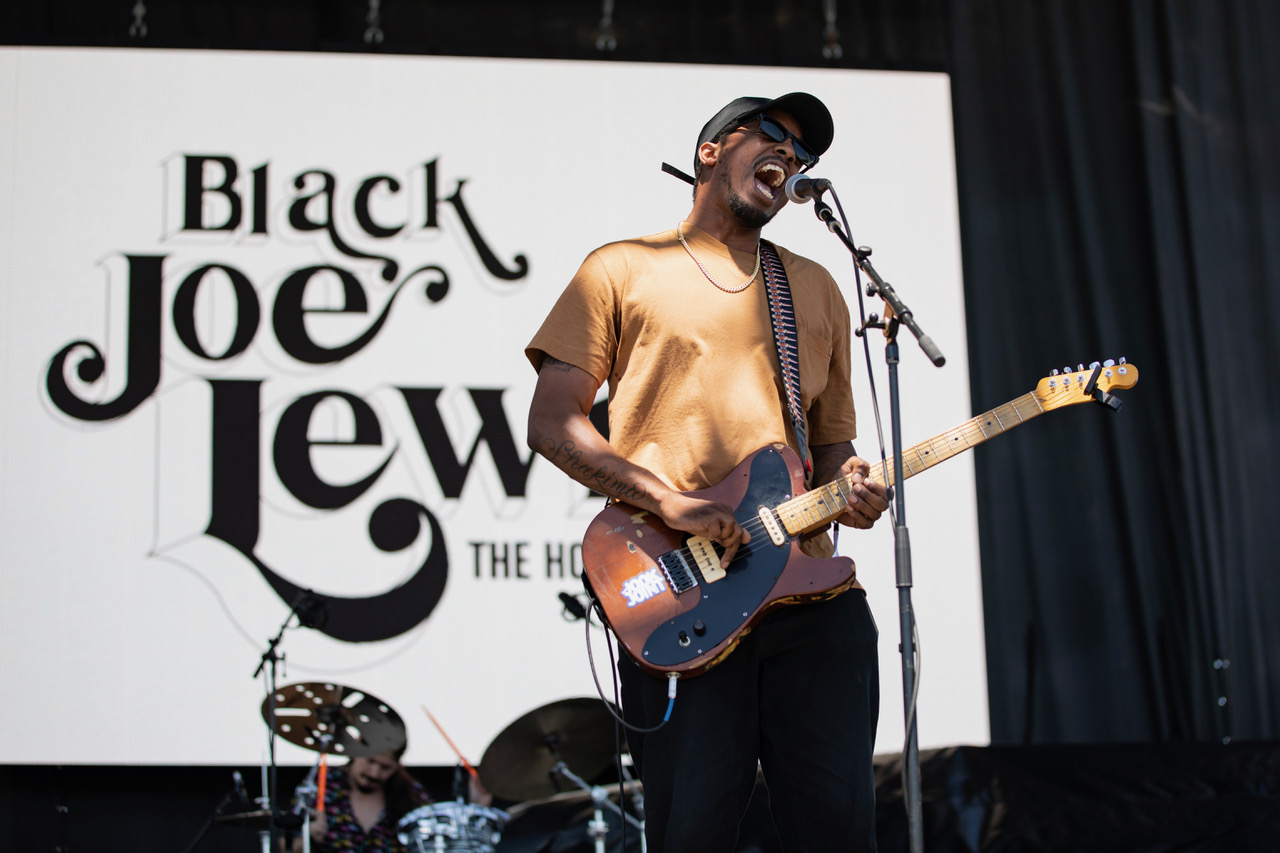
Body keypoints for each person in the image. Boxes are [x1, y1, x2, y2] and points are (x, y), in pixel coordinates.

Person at [524, 92, 891, 852]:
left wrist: (855, 490)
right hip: (690, 600)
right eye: (772, 136)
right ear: (712, 152)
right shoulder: (621, 268)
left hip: (811, 598)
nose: (789, 156)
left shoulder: (816, 285)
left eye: (802, 153)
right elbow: (551, 421)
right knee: (690, 834)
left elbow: (830, 451)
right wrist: (672, 503)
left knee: (840, 834)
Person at [292, 747, 429, 853]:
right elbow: (292, 847)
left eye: (385, 767)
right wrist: (307, 836)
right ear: (355, 751)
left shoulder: (412, 793)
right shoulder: (322, 785)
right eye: (370, 761)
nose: (374, 773)